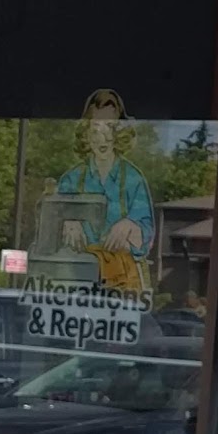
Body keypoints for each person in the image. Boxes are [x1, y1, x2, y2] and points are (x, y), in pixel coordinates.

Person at [55, 89, 155, 288]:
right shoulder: (70, 180)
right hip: (77, 280)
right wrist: (65, 223)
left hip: (122, 283)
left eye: (110, 127)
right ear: (86, 133)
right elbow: (50, 226)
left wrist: (131, 226)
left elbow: (147, 236)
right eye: (95, 129)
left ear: (119, 132)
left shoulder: (134, 179)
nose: (103, 137)